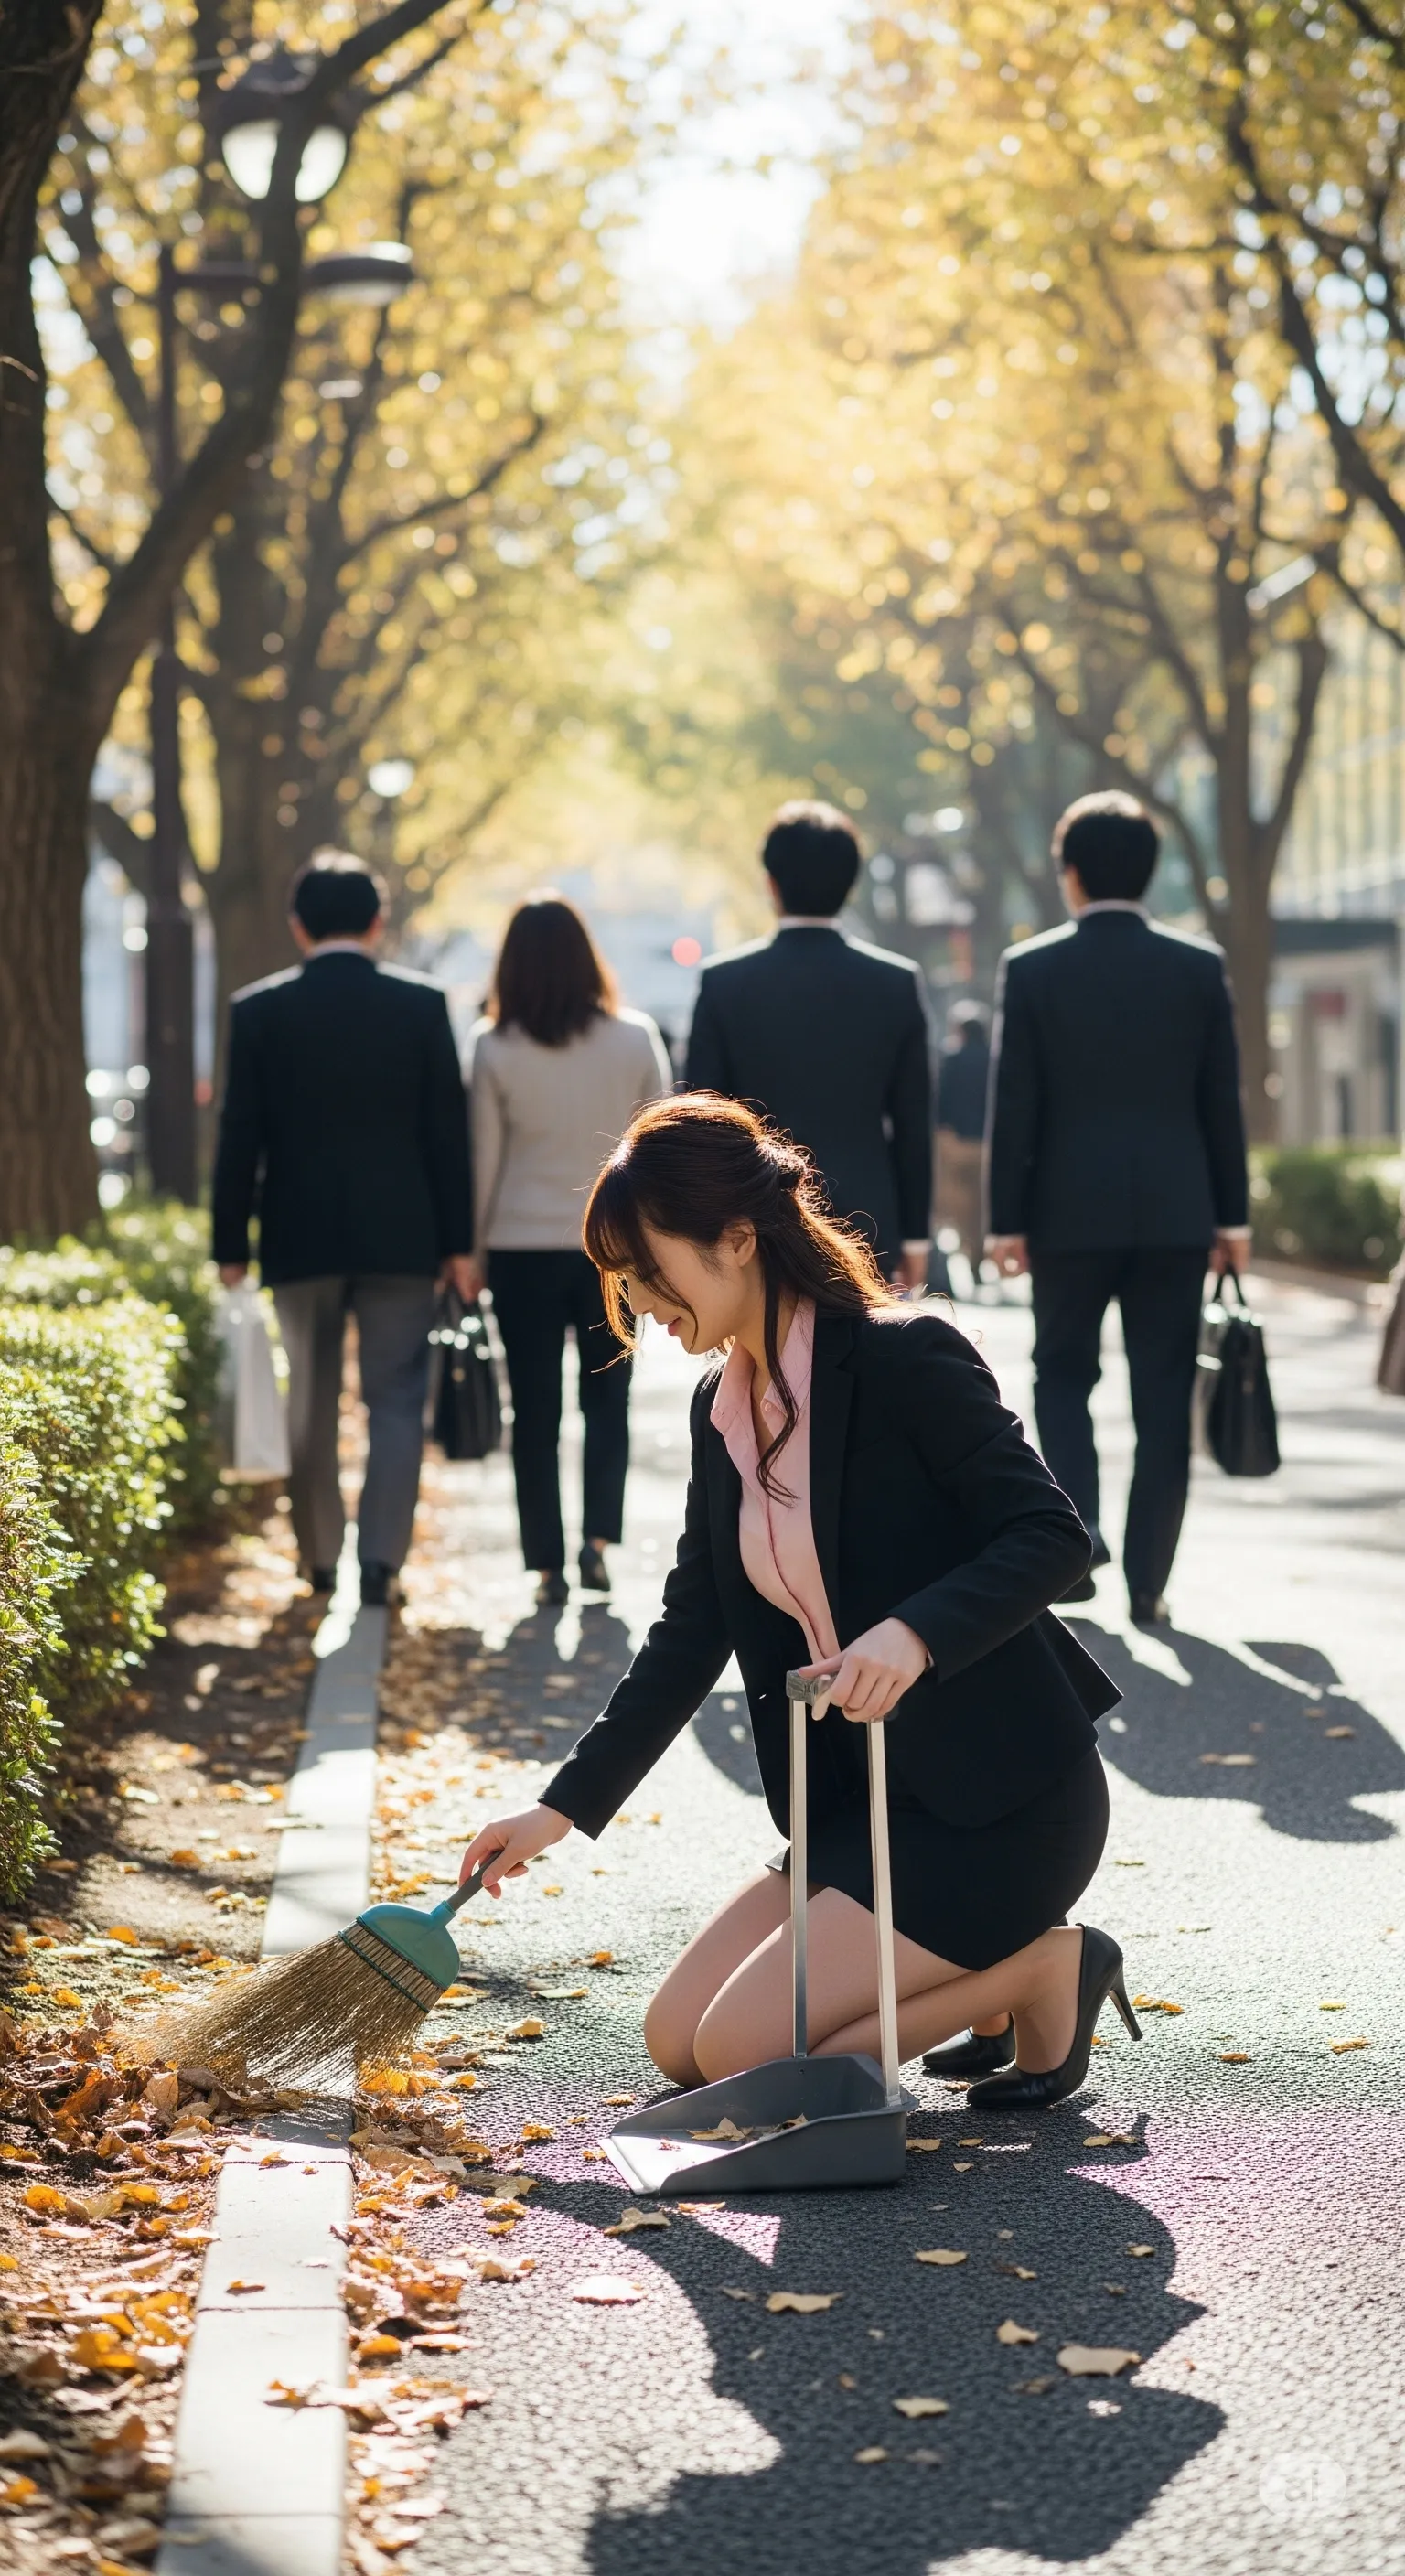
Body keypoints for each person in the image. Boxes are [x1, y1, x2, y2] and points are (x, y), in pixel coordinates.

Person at [456, 1093, 1137, 2111]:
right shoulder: (719, 1407)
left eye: (645, 1270)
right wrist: (559, 1809)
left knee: (741, 2054)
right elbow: (692, 1630)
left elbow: (1051, 1534)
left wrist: (913, 1636)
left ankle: (1037, 1971)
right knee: (676, 2040)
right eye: (621, 1279)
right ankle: (983, 1992)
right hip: (858, 1809)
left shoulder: (908, 1358)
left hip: (1001, 1805)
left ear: (736, 1237)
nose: (637, 1299)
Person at [985, 790, 1250, 1627]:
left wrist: (1006, 1219)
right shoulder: (1198, 965)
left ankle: (1078, 1539)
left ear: (1069, 875)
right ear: (1151, 869)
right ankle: (1149, 1581)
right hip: (1178, 1215)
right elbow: (1222, 1104)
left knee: (1062, 1375)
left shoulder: (1032, 969)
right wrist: (1233, 1219)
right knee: (1164, 1393)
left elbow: (1015, 1105)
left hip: (1065, 1215)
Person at [212, 850, 475, 1608]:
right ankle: (382, 1565)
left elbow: (240, 1137)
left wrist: (231, 1244)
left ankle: (320, 1557)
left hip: (298, 1238)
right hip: (404, 1236)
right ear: (377, 921)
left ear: (298, 926)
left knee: (311, 1398)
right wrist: (457, 1245)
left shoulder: (258, 1011)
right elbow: (446, 1137)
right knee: (395, 1399)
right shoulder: (422, 1007)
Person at [467, 894, 670, 1606]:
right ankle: (597, 1544)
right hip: (612, 1251)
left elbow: (483, 1163)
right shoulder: (635, 1038)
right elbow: (657, 1155)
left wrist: (468, 1251)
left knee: (535, 1410)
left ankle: (545, 1562)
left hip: (519, 1245)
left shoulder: (492, 1048)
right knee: (607, 1401)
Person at [685, 801, 933, 1289]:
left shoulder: (724, 983)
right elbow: (912, 1121)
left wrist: (702, 1230)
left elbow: (701, 1120)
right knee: (857, 1358)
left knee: (767, 1360)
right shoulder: (895, 982)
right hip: (867, 1218)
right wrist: (916, 1237)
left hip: (753, 1216)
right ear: (850, 885)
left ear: (771, 883)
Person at [934, 999, 992, 1280]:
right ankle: (978, 1256)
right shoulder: (994, 1058)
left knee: (958, 1203)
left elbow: (941, 1099)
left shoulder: (952, 1058)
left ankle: (966, 1249)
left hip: (955, 1142)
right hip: (987, 1143)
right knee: (982, 1205)